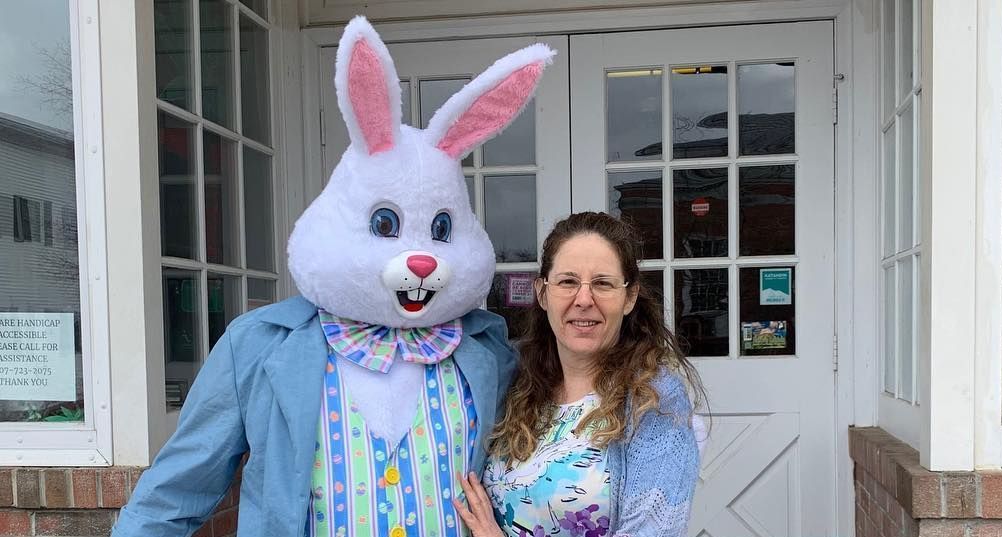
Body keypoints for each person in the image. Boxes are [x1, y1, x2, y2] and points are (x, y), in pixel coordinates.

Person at [112, 17, 554, 537]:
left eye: (440, 231)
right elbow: (175, 493)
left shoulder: (488, 350)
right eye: (386, 225)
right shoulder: (257, 346)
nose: (420, 259)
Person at [453, 212, 706, 537]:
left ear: (629, 297)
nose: (584, 299)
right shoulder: (519, 385)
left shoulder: (655, 400)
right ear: (543, 293)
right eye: (568, 282)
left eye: (603, 283)